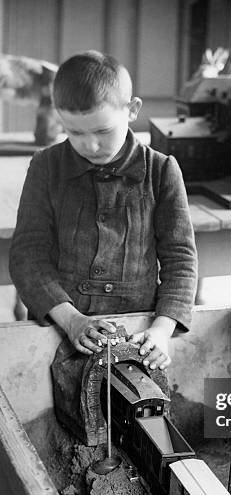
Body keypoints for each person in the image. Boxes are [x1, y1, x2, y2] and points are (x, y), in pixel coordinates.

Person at [9, 51, 197, 371]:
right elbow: (28, 255)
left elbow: (181, 260)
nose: (90, 145)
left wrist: (162, 330)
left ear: (132, 109)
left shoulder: (163, 171)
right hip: (58, 330)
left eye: (102, 131)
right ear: (59, 117)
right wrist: (71, 321)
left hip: (138, 337)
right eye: (75, 132)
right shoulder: (45, 166)